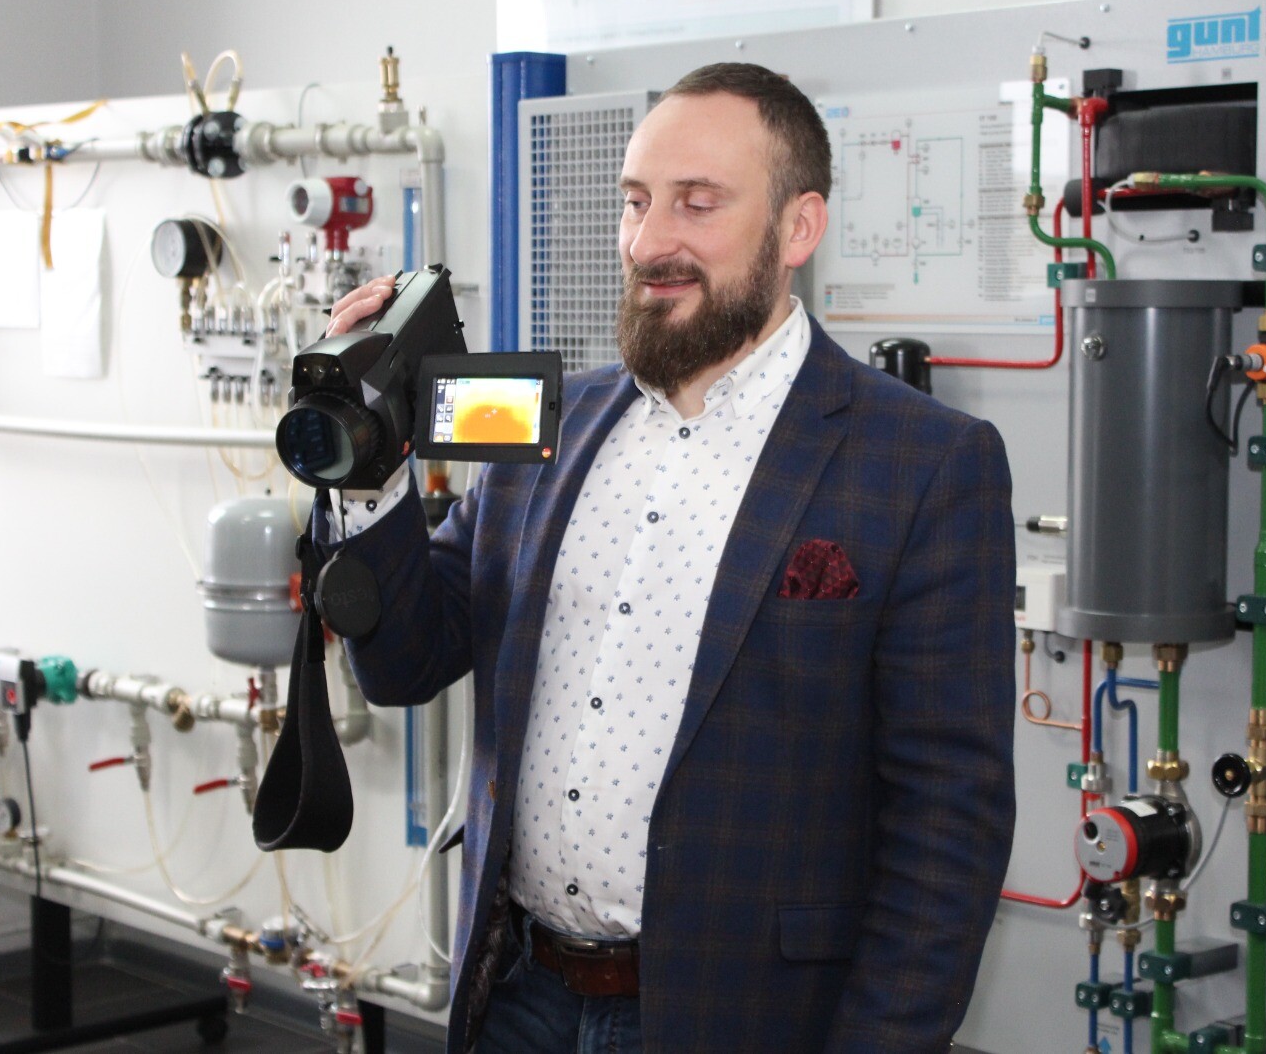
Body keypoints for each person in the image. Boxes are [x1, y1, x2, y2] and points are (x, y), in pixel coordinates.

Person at [323, 62, 1015, 1054]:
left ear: (798, 228)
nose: (649, 243)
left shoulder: (923, 463)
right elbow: (404, 660)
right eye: (637, 201)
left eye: (698, 202)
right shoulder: (550, 421)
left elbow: (948, 823)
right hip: (517, 993)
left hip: (740, 1019)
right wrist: (369, 470)